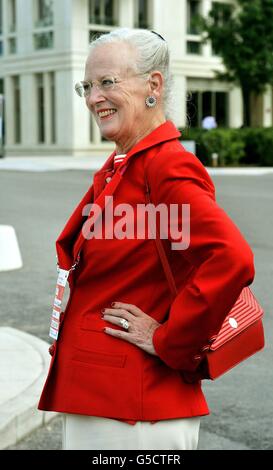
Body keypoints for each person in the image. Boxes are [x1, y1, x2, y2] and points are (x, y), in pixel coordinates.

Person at [38, 28, 255, 450]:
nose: (93, 97)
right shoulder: (126, 164)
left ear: (153, 85)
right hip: (105, 397)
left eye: (107, 82)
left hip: (131, 409)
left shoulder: (166, 166)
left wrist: (168, 339)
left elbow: (232, 258)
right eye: (88, 85)